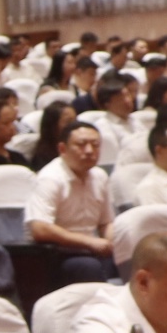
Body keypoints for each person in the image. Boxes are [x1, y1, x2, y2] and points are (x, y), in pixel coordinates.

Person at [27, 120, 115, 283]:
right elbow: (40, 229)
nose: (89, 151)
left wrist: (113, 242)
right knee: (89, 266)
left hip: (92, 249)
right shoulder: (50, 178)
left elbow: (105, 223)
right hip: (58, 254)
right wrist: (89, 242)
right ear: (62, 149)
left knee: (140, 258)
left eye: (95, 145)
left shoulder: (100, 176)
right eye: (81, 145)